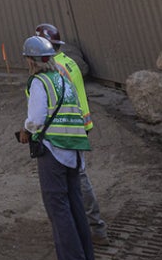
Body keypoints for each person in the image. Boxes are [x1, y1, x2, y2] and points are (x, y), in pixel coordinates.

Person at [16, 35, 98, 260]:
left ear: (32, 61)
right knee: (75, 208)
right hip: (75, 150)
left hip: (53, 151)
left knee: (59, 211)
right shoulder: (63, 79)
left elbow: (36, 119)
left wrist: (26, 130)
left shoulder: (39, 82)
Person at [36, 23, 110, 245]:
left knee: (77, 177)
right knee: (76, 176)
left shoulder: (54, 69)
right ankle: (89, 225)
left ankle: (95, 227)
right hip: (79, 125)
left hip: (68, 130)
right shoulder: (68, 62)